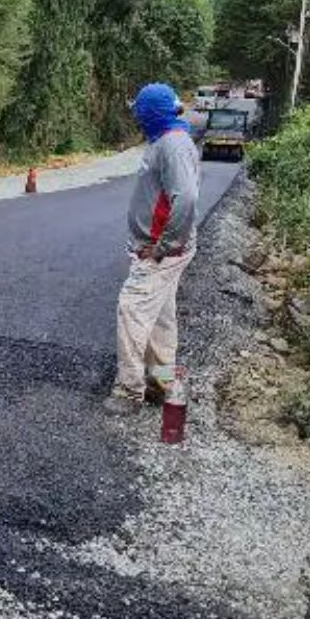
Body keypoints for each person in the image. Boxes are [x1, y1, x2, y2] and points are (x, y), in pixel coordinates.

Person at [106, 82, 202, 416]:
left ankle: (129, 389)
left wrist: (164, 246)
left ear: (150, 114)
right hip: (165, 248)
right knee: (161, 319)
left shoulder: (173, 145)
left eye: (139, 113)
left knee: (131, 309)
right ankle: (162, 383)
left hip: (161, 251)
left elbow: (186, 198)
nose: (137, 118)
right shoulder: (170, 140)